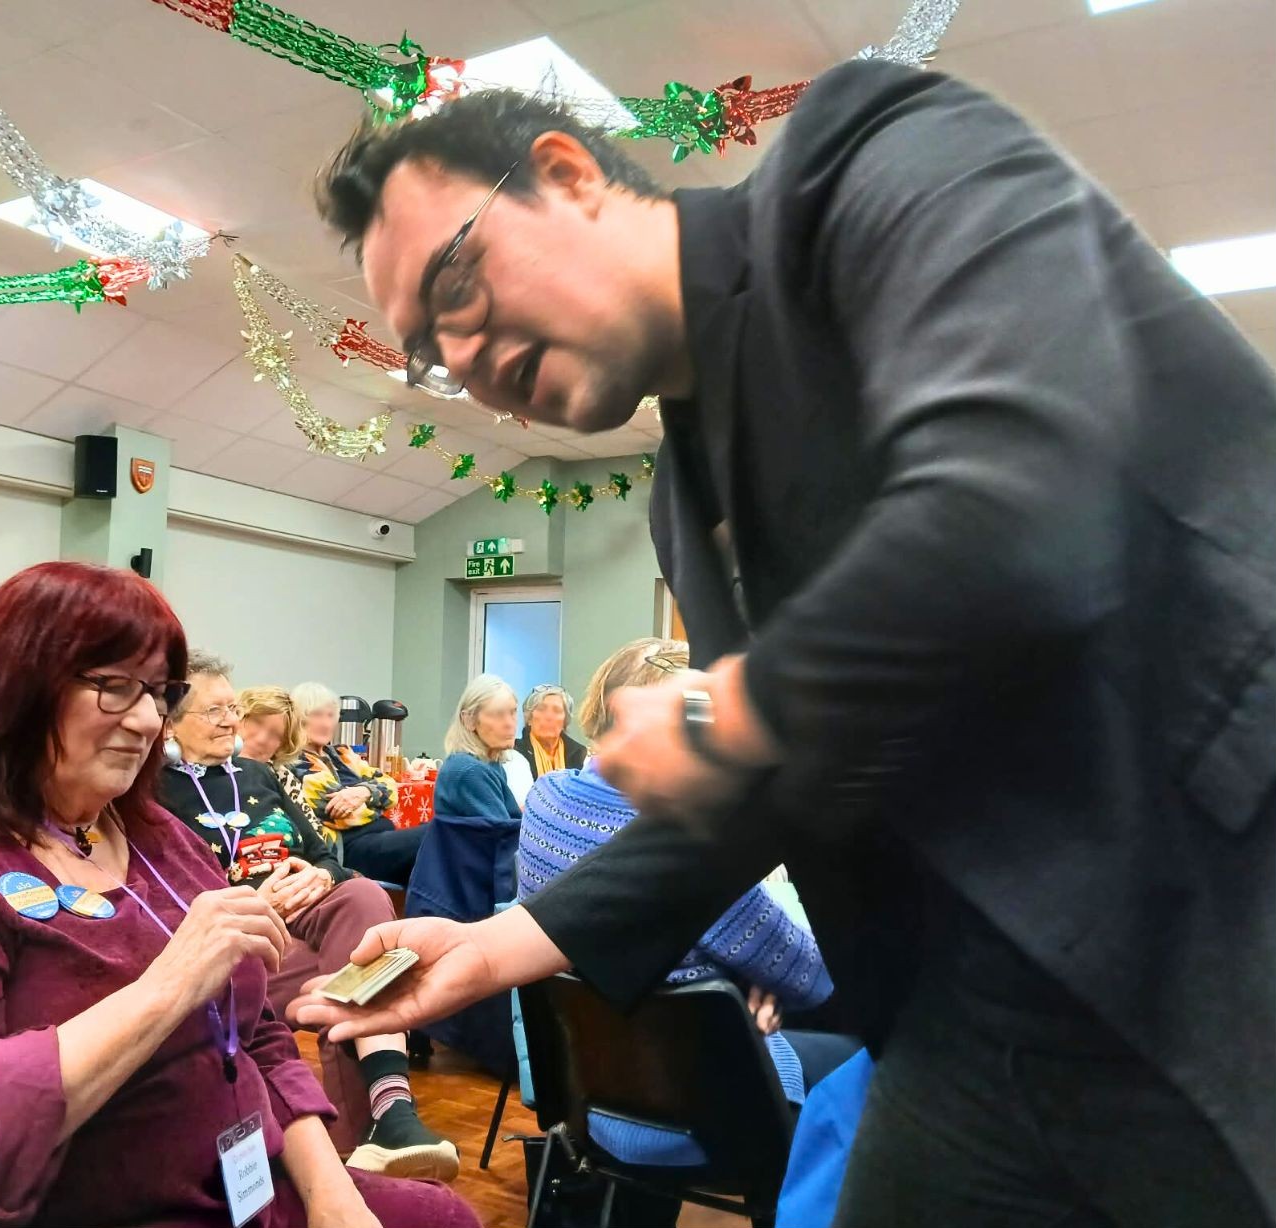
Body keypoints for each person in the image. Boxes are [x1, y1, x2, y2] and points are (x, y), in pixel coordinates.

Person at [294, 61, 1276, 1228]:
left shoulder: (869, 156)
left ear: (566, 176)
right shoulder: (680, 494)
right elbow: (756, 789)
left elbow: (1031, 484)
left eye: (454, 283)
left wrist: (746, 708)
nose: (459, 355)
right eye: (426, 349)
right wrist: (505, 940)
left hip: (1212, 924)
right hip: (964, 1016)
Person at [0, 563, 475, 1228]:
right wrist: (170, 983)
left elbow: (256, 1032)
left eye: (158, 693)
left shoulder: (155, 838)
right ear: (15, 691)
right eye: (114, 687)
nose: (147, 721)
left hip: (233, 1188)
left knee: (440, 1215)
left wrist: (332, 1199)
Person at [518, 639, 857, 1106]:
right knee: (885, 1050)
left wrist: (757, 970)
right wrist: (762, 976)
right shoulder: (691, 844)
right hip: (706, 1103)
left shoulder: (544, 797)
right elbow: (812, 976)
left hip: (591, 1090)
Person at [158, 656, 458, 1181]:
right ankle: (382, 1123)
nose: (230, 721)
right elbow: (163, 892)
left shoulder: (258, 774)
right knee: (343, 978)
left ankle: (386, 1114)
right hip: (239, 939)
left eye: (232, 707)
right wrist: (250, 899)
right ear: (171, 724)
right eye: (213, 711)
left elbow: (324, 854)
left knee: (362, 894)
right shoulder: (154, 789)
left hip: (310, 914)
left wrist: (320, 875)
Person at [401, 676, 521, 1076]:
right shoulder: (469, 771)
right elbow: (505, 836)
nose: (511, 722)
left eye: (513, 713)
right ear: (470, 720)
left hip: (456, 884)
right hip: (468, 891)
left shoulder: (484, 766)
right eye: (499, 714)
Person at [288, 682, 421, 884]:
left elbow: (390, 786)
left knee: (432, 861)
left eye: (331, 715)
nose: (325, 723)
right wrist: (377, 797)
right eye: (316, 715)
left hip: (381, 841)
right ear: (298, 718)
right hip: (349, 852)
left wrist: (363, 792)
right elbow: (342, 816)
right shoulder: (296, 763)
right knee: (436, 834)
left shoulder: (343, 753)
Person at [237, 685, 332, 844]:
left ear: (282, 747)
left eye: (275, 735)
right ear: (237, 716)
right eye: (257, 722)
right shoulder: (204, 766)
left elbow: (316, 841)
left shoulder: (282, 777)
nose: (261, 739)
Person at [513, 684, 585, 781]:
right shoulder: (514, 754)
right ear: (529, 718)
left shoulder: (580, 756)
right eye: (541, 709)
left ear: (565, 721)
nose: (549, 716)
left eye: (557, 710)